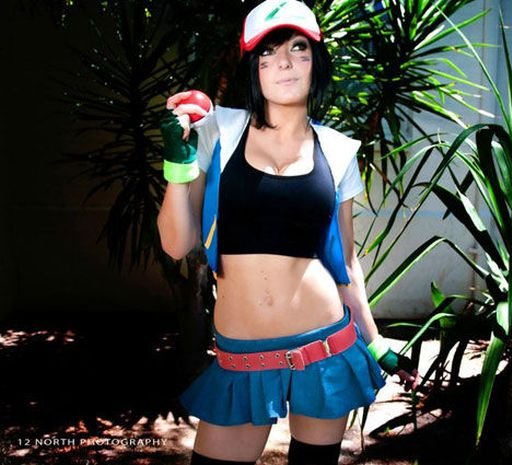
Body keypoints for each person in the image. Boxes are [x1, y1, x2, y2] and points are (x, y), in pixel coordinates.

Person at [157, 1, 418, 464]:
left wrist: (376, 343)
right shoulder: (218, 130)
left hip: (324, 348)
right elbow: (178, 244)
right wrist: (178, 166)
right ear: (252, 68)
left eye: (299, 48)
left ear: (316, 61)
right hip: (242, 357)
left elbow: (345, 262)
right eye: (268, 51)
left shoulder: (338, 150)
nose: (284, 62)